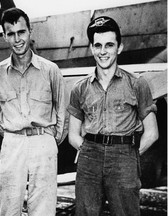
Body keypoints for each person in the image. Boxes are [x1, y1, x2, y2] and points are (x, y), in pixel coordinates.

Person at [67, 16, 159, 215]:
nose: (103, 51)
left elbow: (152, 133)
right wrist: (90, 152)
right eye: (97, 45)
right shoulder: (80, 88)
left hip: (124, 156)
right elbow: (73, 134)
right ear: (91, 48)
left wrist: (130, 156)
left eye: (109, 45)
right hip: (89, 158)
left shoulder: (137, 84)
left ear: (119, 48)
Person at [0, 7, 67, 216]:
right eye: (11, 34)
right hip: (13, 144)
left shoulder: (50, 70)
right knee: (8, 207)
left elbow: (62, 113)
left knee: (43, 207)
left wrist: (49, 139)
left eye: (21, 32)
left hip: (43, 142)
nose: (17, 39)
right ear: (4, 36)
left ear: (30, 31)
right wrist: (15, 137)